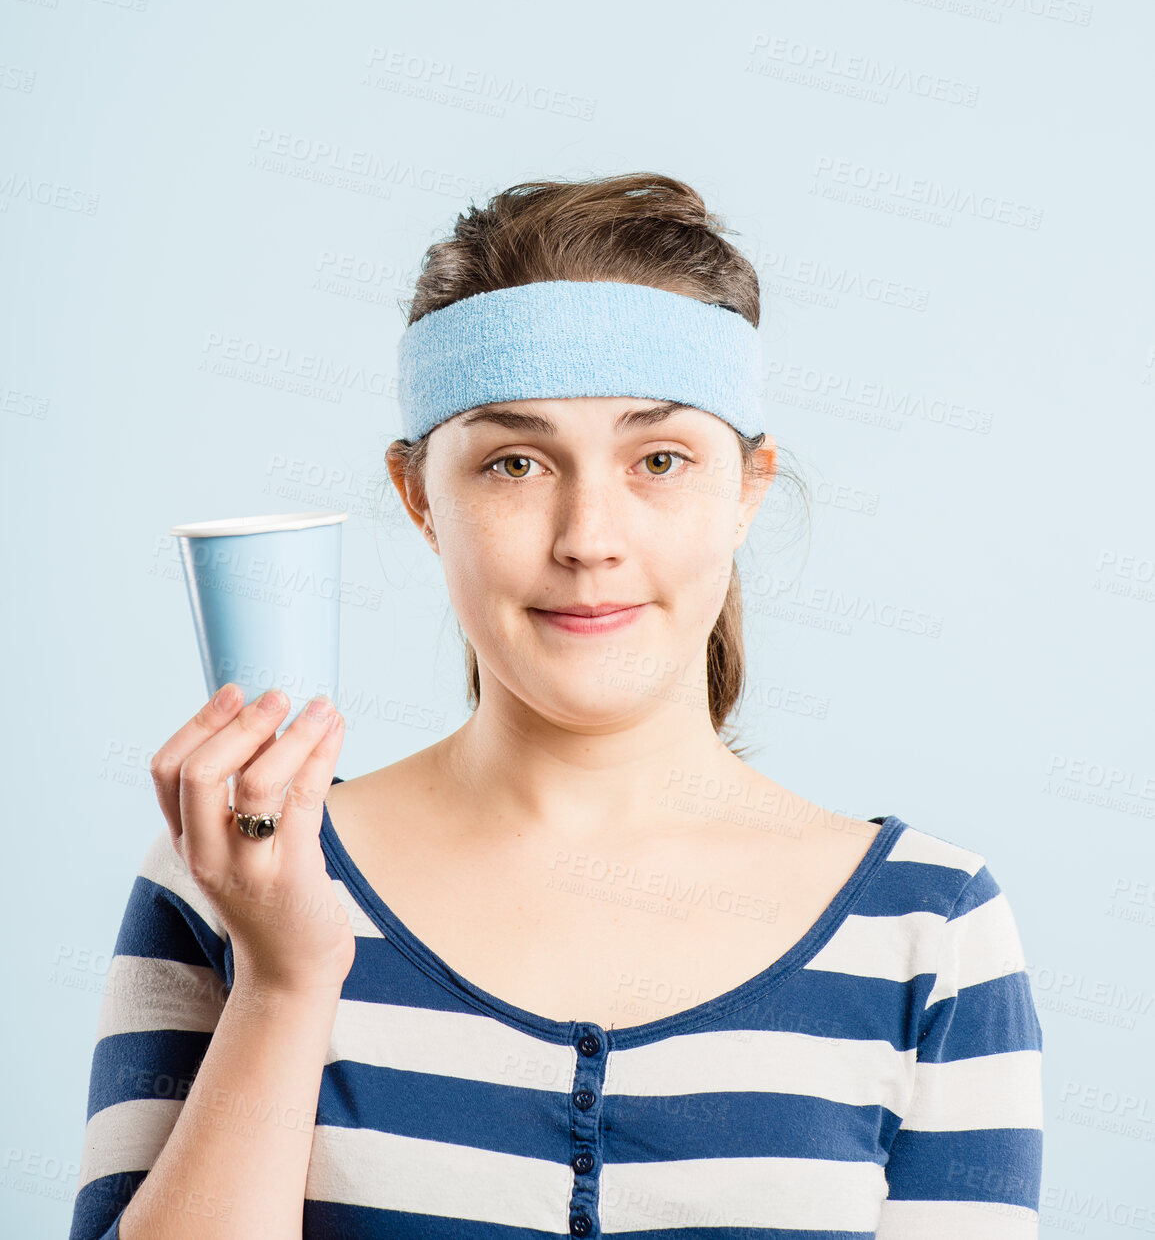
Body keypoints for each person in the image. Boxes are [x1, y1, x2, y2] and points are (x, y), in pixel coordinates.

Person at [68, 173, 1044, 1239]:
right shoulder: (234, 877)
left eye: (659, 460)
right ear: (418, 497)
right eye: (515, 463)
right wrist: (282, 985)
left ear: (748, 492)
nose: (589, 537)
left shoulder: (927, 932)